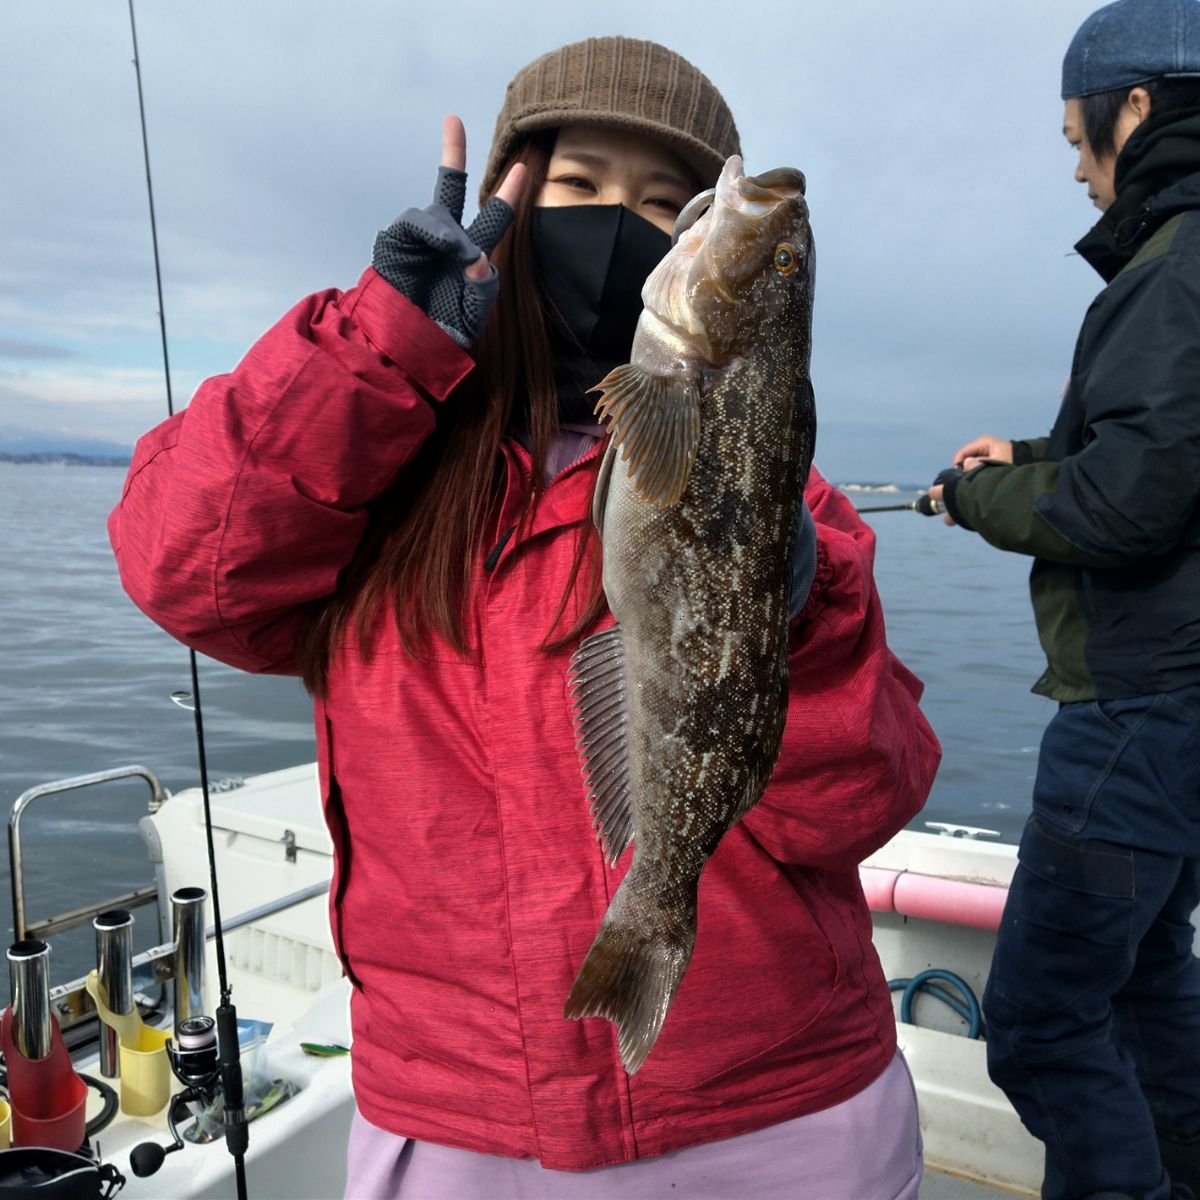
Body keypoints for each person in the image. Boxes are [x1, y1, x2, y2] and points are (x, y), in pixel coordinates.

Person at [110, 35, 940, 1199]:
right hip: (460, 1126)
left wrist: (797, 613)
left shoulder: (792, 511)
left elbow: (864, 798)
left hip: (781, 1110)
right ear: (509, 197)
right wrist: (382, 341)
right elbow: (183, 567)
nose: (618, 223)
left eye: (666, 199)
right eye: (580, 184)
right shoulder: (379, 462)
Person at [929, 2, 1200, 1197]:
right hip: (1185, 715)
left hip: (1138, 714)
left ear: (1134, 108)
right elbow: (1162, 450)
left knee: (1039, 1024)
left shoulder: (1172, 268)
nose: (1078, 169)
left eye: (1074, 137)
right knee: (1147, 985)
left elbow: (1129, 507)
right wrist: (1027, 459)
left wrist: (974, 500)